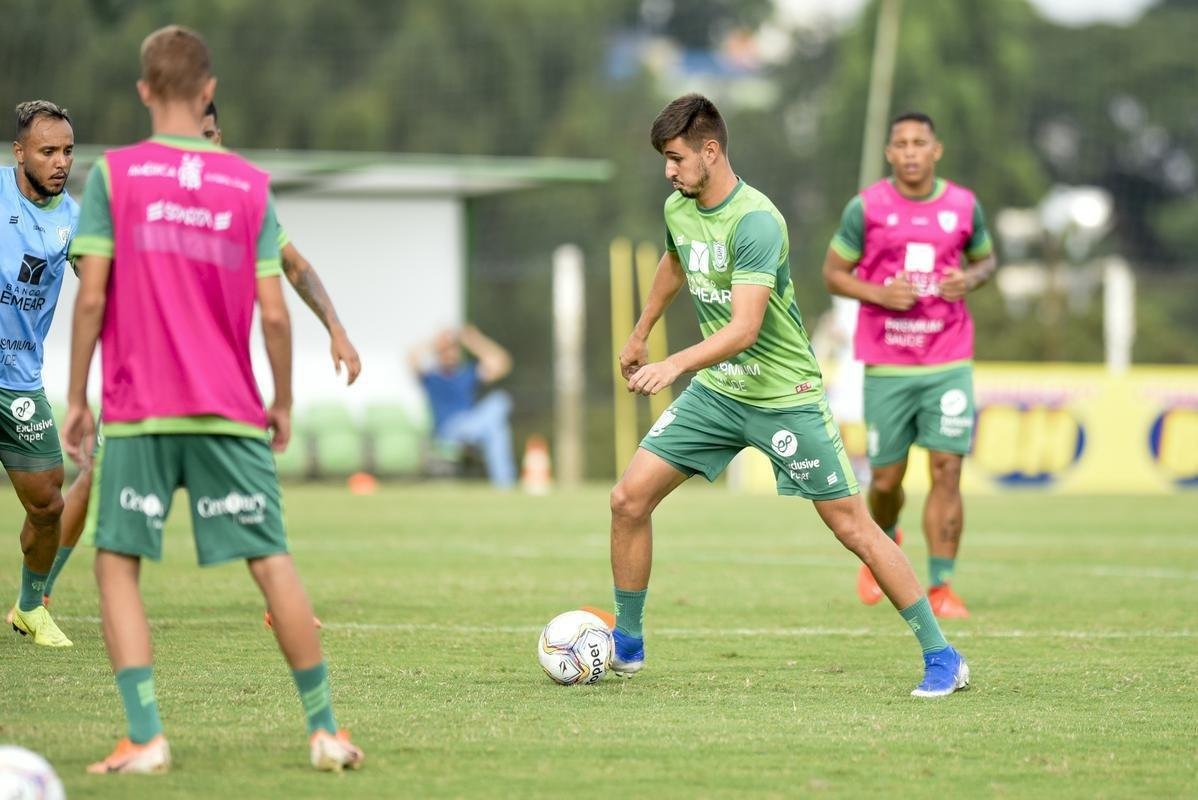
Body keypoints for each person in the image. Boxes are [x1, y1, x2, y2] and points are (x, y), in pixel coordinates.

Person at [62, 25, 364, 773]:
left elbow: (92, 299)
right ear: (208, 92)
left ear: (142, 91)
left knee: (116, 564)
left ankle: (146, 737)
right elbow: (273, 310)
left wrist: (76, 394)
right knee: (272, 561)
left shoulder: (115, 176)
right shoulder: (247, 185)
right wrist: (284, 399)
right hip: (231, 407)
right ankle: (326, 731)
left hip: (139, 410)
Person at [607, 93, 969, 698]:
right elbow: (677, 261)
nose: (668, 172)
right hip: (719, 393)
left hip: (784, 397)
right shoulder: (680, 206)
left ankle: (943, 655)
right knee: (627, 500)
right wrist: (641, 331)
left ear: (711, 150)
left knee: (852, 527)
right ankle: (628, 644)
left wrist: (671, 363)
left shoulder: (757, 221)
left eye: (675, 158)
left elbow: (744, 329)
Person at [34, 100, 363, 626]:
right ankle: (37, 597)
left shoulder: (239, 195)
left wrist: (337, 328)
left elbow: (294, 266)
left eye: (210, 134)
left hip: (217, 383)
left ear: (218, 134)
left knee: (256, 474)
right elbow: (94, 285)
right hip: (144, 383)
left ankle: (280, 605)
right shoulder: (139, 191)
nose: (203, 145)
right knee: (95, 480)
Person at [822, 112, 997, 618]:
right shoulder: (867, 208)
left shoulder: (963, 206)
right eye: (902, 143)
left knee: (947, 469)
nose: (912, 151)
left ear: (936, 150)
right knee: (884, 480)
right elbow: (833, 274)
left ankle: (941, 585)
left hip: (948, 359)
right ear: (890, 154)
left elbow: (986, 260)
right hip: (888, 363)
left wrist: (973, 278)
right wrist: (878, 292)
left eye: (920, 142)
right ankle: (884, 541)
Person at [2, 100, 78, 647]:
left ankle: (30, 606)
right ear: (20, 152)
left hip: (20, 381)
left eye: (67, 151)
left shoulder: (73, 219)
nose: (60, 162)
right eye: (48, 151)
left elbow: (104, 286)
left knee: (49, 502)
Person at [410, 324, 516, 488]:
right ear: (439, 353)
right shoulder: (431, 378)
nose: (451, 353)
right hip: (448, 429)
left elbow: (502, 363)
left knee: (499, 404)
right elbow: (411, 358)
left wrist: (474, 341)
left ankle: (504, 485)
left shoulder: (467, 374)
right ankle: (505, 483)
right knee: (494, 426)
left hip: (473, 424)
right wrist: (435, 342)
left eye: (454, 349)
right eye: (446, 350)